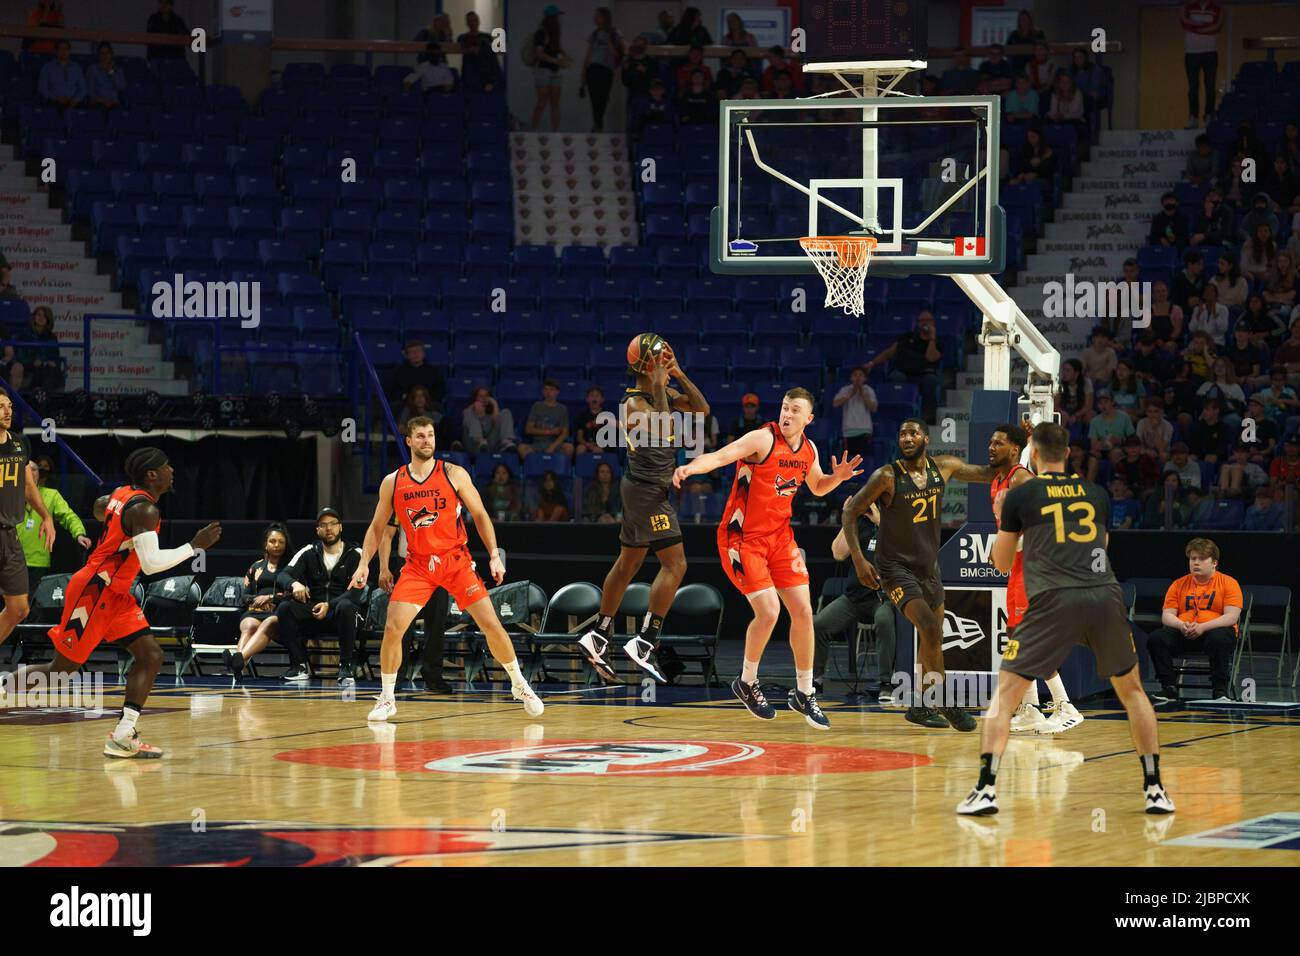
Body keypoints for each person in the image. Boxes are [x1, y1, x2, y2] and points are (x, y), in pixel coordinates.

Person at [957, 422, 1174, 816]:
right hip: (1104, 596)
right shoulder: (1096, 494)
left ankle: (985, 790)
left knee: (1003, 698)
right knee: (1134, 693)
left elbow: (1002, 561)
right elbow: (1101, 546)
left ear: (1033, 455)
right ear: (1069, 453)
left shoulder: (1021, 495)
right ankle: (1155, 788)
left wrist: (1000, 514)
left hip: (1053, 598)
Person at [673, 388, 862, 729]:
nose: (787, 414)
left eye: (795, 410)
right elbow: (720, 456)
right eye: (785, 407)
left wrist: (839, 478)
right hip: (741, 539)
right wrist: (690, 468)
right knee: (770, 611)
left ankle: (805, 692)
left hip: (780, 539)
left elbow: (818, 486)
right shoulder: (762, 439)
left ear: (809, 419)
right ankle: (746, 681)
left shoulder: (809, 449)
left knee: (804, 613)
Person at [351, 417, 544, 720]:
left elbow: (480, 514)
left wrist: (494, 554)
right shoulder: (393, 482)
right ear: (409, 442)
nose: (427, 440)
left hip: (455, 561)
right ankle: (387, 697)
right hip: (417, 566)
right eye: (420, 436)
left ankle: (519, 683)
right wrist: (365, 564)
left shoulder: (453, 473)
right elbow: (377, 528)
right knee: (392, 627)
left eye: (430, 435)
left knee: (491, 624)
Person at [31, 448, 219, 758]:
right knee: (59, 670)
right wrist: (194, 546)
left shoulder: (122, 493)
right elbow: (150, 564)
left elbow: (99, 507)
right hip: (93, 592)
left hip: (117, 594)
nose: (172, 470)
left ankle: (123, 734)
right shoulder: (145, 510)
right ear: (152, 475)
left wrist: (118, 529)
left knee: (151, 655)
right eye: (167, 465)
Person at [841, 418, 1004, 731]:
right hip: (894, 568)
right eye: (902, 433)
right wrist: (860, 561)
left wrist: (1015, 451)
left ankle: (919, 706)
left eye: (913, 432)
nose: (906, 437)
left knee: (934, 635)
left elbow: (988, 474)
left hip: (929, 568)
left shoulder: (943, 467)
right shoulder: (886, 476)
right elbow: (850, 512)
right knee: (928, 627)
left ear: (926, 439)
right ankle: (944, 700)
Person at [576, 336, 708, 684]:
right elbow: (665, 425)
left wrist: (678, 374)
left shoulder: (660, 394)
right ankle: (646, 640)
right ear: (647, 365)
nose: (667, 362)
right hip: (647, 493)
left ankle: (599, 634)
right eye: (661, 359)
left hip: (644, 490)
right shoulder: (633, 404)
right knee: (676, 564)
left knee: (629, 562)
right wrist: (662, 382)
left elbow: (702, 410)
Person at [987, 424, 1083, 734]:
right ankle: (1029, 709)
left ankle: (1065, 705)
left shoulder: (1020, 478)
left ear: (1013, 449)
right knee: (1016, 639)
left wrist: (1003, 545)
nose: (990, 447)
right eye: (990, 442)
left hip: (1033, 568)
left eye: (997, 443)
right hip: (1017, 568)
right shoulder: (1002, 477)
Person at [815, 498, 896, 700]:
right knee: (819, 624)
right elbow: (838, 553)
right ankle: (815, 680)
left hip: (882, 597)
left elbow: (905, 549)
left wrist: (880, 522)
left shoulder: (896, 520)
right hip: (854, 597)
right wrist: (848, 516)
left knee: (885, 621)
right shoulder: (858, 523)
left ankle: (887, 682)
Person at [274, 508, 365, 685]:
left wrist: (329, 605)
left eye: (332, 524)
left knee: (347, 606)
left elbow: (355, 592)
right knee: (285, 608)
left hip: (341, 614)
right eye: (323, 525)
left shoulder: (356, 554)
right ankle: (299, 665)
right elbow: (283, 575)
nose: (328, 528)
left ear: (340, 527)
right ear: (317, 530)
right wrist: (295, 584)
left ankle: (345, 667)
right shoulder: (309, 551)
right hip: (314, 611)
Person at [1145, 537, 1241, 702]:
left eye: (1202, 559)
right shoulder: (1178, 584)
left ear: (1214, 563)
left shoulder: (1229, 583)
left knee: (1219, 638)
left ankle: (1220, 690)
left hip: (1214, 632)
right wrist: (1181, 625)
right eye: (1192, 559)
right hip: (1185, 632)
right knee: (1156, 638)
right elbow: (1167, 616)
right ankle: (1168, 687)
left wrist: (1203, 627)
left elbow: (1232, 617)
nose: (1196, 563)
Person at [0, 394, 54, 661]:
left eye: (9, 406)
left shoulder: (19, 444)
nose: (7, 411)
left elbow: (27, 485)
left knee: (19, 609)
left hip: (9, 534)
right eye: (0, 407)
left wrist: (46, 515)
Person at [378, 510, 453, 694]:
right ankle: (395, 677)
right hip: (408, 563)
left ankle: (433, 678)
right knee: (400, 625)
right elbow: (386, 534)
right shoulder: (401, 494)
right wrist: (383, 567)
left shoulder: (444, 494)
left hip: (440, 564)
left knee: (436, 624)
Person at [225, 523, 291, 679]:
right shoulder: (255, 567)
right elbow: (244, 596)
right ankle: (239, 666)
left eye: (281, 542)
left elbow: (293, 594)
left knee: (269, 623)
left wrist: (271, 598)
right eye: (273, 541)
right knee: (249, 625)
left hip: (278, 615)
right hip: (255, 612)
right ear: (266, 544)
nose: (277, 545)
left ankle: (238, 660)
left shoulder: (291, 567)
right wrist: (256, 600)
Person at [17, 455, 91, 586]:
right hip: (10, 561)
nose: (31, 472)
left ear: (40, 475)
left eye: (35, 470)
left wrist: (79, 534)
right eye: (27, 469)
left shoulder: (51, 495)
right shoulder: (9, 494)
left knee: (31, 604)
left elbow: (68, 516)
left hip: (37, 562)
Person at [863, 311, 944, 423]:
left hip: (924, 374)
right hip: (903, 373)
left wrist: (932, 338)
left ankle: (926, 415)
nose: (925, 323)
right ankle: (896, 415)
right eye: (922, 321)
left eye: (928, 321)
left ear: (933, 323)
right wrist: (872, 363)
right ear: (918, 323)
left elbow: (930, 358)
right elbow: (889, 353)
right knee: (895, 377)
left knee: (931, 381)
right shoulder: (907, 337)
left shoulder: (937, 342)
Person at [530, 5, 573, 133]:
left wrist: (565, 55)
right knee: (542, 102)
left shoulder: (553, 34)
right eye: (556, 17)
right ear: (551, 18)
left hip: (555, 71)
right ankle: (534, 131)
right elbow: (539, 53)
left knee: (555, 103)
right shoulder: (541, 32)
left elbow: (555, 47)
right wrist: (556, 60)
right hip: (543, 71)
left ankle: (555, 132)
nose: (558, 20)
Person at [579, 8, 623, 132]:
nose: (595, 18)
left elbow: (620, 54)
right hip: (593, 68)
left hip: (606, 70)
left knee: (603, 98)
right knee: (594, 98)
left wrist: (609, 42)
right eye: (595, 16)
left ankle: (598, 124)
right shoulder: (593, 34)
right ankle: (597, 125)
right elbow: (588, 55)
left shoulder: (615, 33)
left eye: (598, 16)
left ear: (605, 17)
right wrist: (583, 76)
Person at [1181, 0, 1222, 129]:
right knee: (1193, 87)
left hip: (1210, 52)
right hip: (1191, 53)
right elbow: (1184, 23)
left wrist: (1196, 27)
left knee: (1210, 86)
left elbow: (1217, 27)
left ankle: (1209, 115)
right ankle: (1193, 117)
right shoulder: (1188, 7)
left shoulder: (1218, 9)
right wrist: (1206, 26)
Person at [832, 366, 877, 461]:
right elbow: (835, 403)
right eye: (855, 375)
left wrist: (864, 395)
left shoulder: (869, 390)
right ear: (851, 378)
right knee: (850, 461)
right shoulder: (845, 390)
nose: (858, 378)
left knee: (863, 460)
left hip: (864, 430)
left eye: (861, 375)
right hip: (849, 431)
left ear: (865, 378)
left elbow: (873, 408)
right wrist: (850, 395)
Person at [462, 386, 520, 455]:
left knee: (506, 412)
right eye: (481, 396)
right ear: (476, 398)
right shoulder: (469, 412)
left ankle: (506, 442)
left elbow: (496, 421)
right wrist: (474, 408)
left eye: (486, 396)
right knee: (470, 414)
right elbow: (464, 415)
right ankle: (480, 441)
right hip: (474, 445)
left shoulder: (491, 413)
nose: (484, 398)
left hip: (489, 444)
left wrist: (494, 404)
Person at [524, 379, 573, 459]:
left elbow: (565, 433)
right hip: (537, 444)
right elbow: (528, 429)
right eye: (545, 389)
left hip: (555, 443)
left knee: (569, 448)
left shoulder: (562, 409)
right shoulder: (537, 406)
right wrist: (550, 431)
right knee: (522, 448)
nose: (548, 392)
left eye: (551, 389)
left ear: (557, 392)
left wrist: (552, 447)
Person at [38, 39, 85, 111]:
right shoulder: (47, 68)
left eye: (66, 49)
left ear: (69, 51)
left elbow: (82, 88)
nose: (64, 51)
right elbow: (42, 88)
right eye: (61, 49)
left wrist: (75, 100)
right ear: (56, 51)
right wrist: (56, 98)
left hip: (74, 102)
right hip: (54, 102)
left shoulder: (76, 68)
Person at [85, 42, 126, 110]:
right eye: (102, 53)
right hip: (97, 103)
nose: (105, 55)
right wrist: (102, 100)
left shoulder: (118, 70)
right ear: (98, 55)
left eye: (107, 53)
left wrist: (110, 72)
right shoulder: (92, 69)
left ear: (111, 54)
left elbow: (121, 87)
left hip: (113, 103)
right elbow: (90, 91)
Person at [573, 385, 607, 455]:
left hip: (604, 445)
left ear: (602, 399)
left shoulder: (608, 415)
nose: (594, 398)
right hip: (586, 444)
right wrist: (587, 444)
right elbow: (579, 437)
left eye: (597, 396)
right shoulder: (582, 416)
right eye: (591, 396)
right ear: (587, 399)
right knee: (580, 448)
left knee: (598, 450)